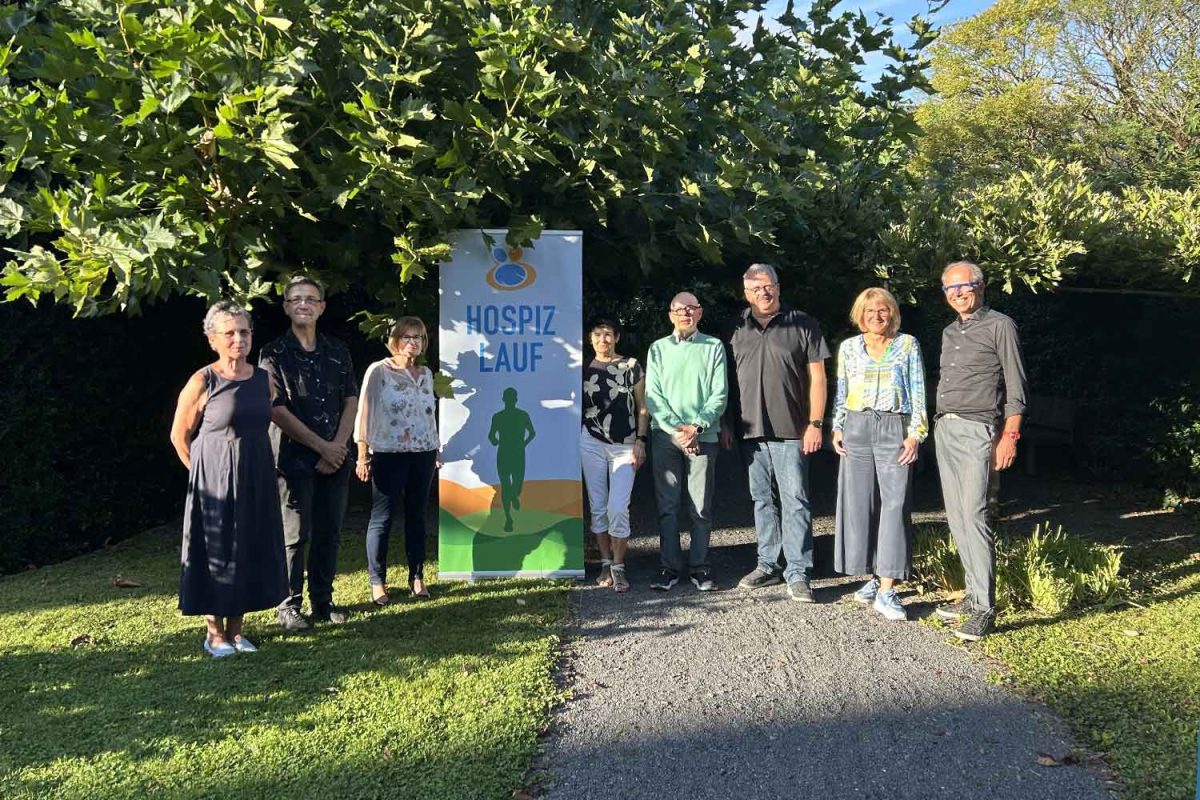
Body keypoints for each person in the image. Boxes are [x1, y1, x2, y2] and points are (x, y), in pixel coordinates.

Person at [169, 300, 288, 658]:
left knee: (247, 549)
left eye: (245, 331)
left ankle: (237, 632)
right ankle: (214, 634)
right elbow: (179, 436)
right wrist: (202, 477)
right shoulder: (202, 380)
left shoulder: (264, 379)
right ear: (213, 340)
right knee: (216, 553)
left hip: (255, 478)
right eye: (230, 333)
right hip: (213, 484)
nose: (239, 339)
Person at [933, 261, 1028, 641]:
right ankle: (972, 597)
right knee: (956, 516)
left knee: (975, 514)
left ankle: (985, 608)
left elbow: (1016, 386)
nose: (957, 293)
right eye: (949, 289)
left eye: (964, 286)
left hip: (978, 430)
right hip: (946, 427)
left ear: (981, 286)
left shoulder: (1000, 325)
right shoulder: (948, 331)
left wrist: (1010, 436)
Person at [259, 276, 359, 631]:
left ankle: (322, 600)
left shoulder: (338, 350)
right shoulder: (271, 354)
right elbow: (276, 409)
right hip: (293, 460)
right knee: (294, 536)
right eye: (296, 298)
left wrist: (339, 447)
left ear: (321, 307)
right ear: (286, 307)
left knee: (329, 532)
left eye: (311, 298)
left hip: (336, 458)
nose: (304, 304)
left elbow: (351, 399)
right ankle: (289, 605)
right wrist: (323, 447)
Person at [728, 264, 830, 603]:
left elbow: (818, 378)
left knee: (795, 500)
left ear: (778, 286)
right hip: (750, 430)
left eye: (768, 286)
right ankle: (768, 564)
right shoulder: (736, 326)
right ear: (746, 293)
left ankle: (798, 571)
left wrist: (815, 423)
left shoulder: (803, 323)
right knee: (762, 500)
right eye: (756, 289)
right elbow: (728, 381)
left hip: (792, 429)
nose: (763, 293)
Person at [831, 287, 927, 621]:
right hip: (856, 427)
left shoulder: (907, 345)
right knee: (861, 504)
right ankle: (873, 576)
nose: (876, 316)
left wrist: (915, 434)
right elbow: (842, 390)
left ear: (893, 313)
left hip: (893, 426)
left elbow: (918, 391)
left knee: (895, 504)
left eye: (883, 310)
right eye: (870, 312)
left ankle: (888, 589)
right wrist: (837, 426)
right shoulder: (849, 348)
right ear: (860, 315)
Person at [644, 291, 728, 592]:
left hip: (703, 435)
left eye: (691, 309)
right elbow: (652, 396)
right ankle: (669, 568)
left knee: (701, 507)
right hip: (666, 437)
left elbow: (719, 393)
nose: (685, 314)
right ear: (670, 314)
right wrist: (678, 430)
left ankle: (700, 567)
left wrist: (696, 426)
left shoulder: (714, 346)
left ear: (700, 313)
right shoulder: (657, 349)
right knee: (667, 506)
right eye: (679, 309)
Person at [354, 317, 440, 603]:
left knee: (417, 516)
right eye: (407, 337)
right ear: (395, 341)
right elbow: (365, 411)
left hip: (424, 454)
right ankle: (377, 582)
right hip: (388, 453)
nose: (413, 342)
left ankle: (417, 577)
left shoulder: (426, 374)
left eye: (418, 337)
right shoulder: (379, 371)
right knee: (382, 517)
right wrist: (362, 454)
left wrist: (435, 448)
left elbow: (428, 414)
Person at [581, 318, 649, 594]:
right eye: (598, 335)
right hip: (591, 442)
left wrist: (641, 441)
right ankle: (606, 563)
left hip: (625, 444)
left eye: (608, 334)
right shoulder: (582, 369)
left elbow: (643, 406)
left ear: (616, 338)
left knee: (618, 507)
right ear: (590, 339)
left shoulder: (631, 366)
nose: (603, 340)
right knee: (598, 506)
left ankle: (620, 566)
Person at [488, 387, 537, 532]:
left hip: (516, 452)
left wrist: (524, 443)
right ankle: (508, 518)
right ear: (506, 400)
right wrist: (495, 441)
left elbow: (532, 433)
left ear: (514, 400)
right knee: (505, 485)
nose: (510, 401)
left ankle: (514, 495)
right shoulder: (498, 417)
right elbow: (491, 435)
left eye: (511, 398)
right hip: (505, 452)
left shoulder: (523, 415)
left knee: (516, 484)